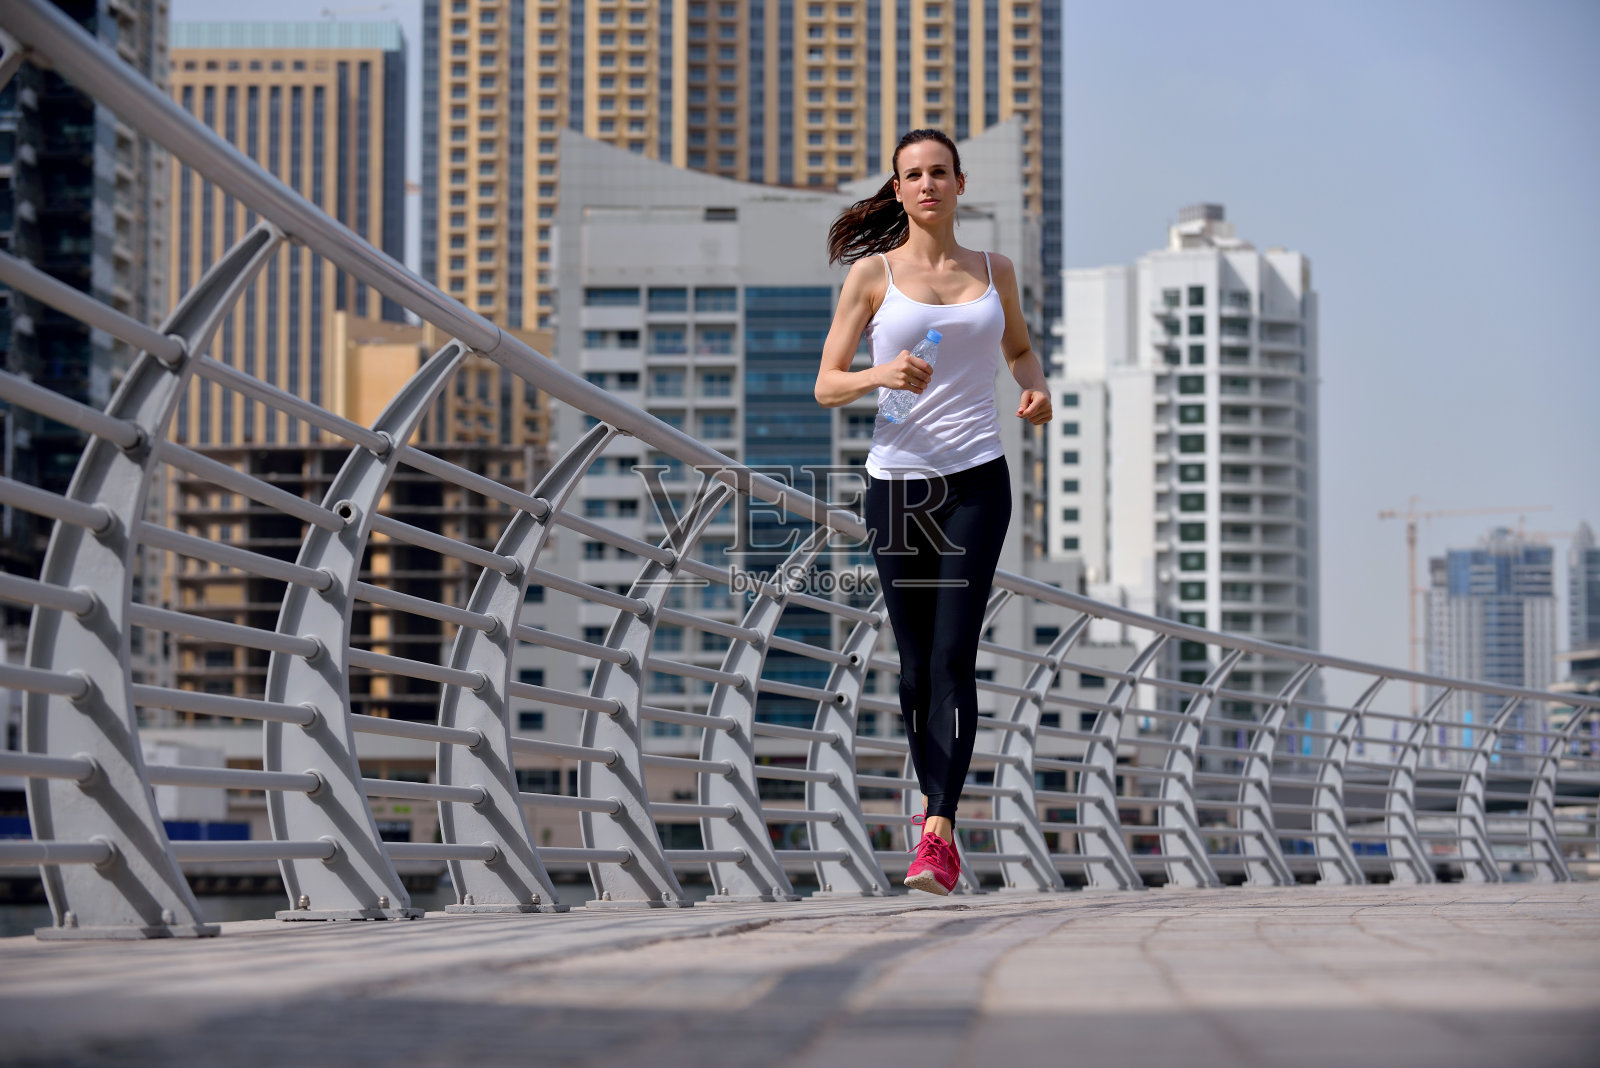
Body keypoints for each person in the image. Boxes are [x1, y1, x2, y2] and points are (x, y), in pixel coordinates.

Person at [813, 129, 1052, 895]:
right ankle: (933, 819)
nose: (927, 184)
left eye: (939, 172)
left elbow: (1019, 349)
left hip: (977, 482)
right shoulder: (872, 275)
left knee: (953, 656)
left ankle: (939, 833)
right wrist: (879, 373)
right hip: (899, 487)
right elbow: (826, 383)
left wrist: (1036, 386)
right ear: (898, 188)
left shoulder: (995, 270)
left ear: (959, 183)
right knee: (916, 666)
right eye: (913, 174)